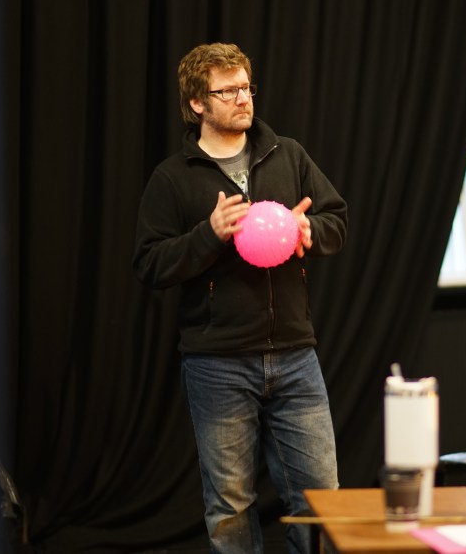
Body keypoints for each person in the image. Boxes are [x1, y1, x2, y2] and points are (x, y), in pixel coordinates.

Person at [133, 42, 346, 553]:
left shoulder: (287, 154)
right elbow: (150, 264)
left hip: (295, 356)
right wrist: (208, 235)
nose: (243, 99)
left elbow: (336, 221)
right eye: (227, 91)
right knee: (230, 509)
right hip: (218, 364)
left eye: (246, 87)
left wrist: (309, 231)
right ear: (197, 103)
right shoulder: (174, 177)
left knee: (321, 500)